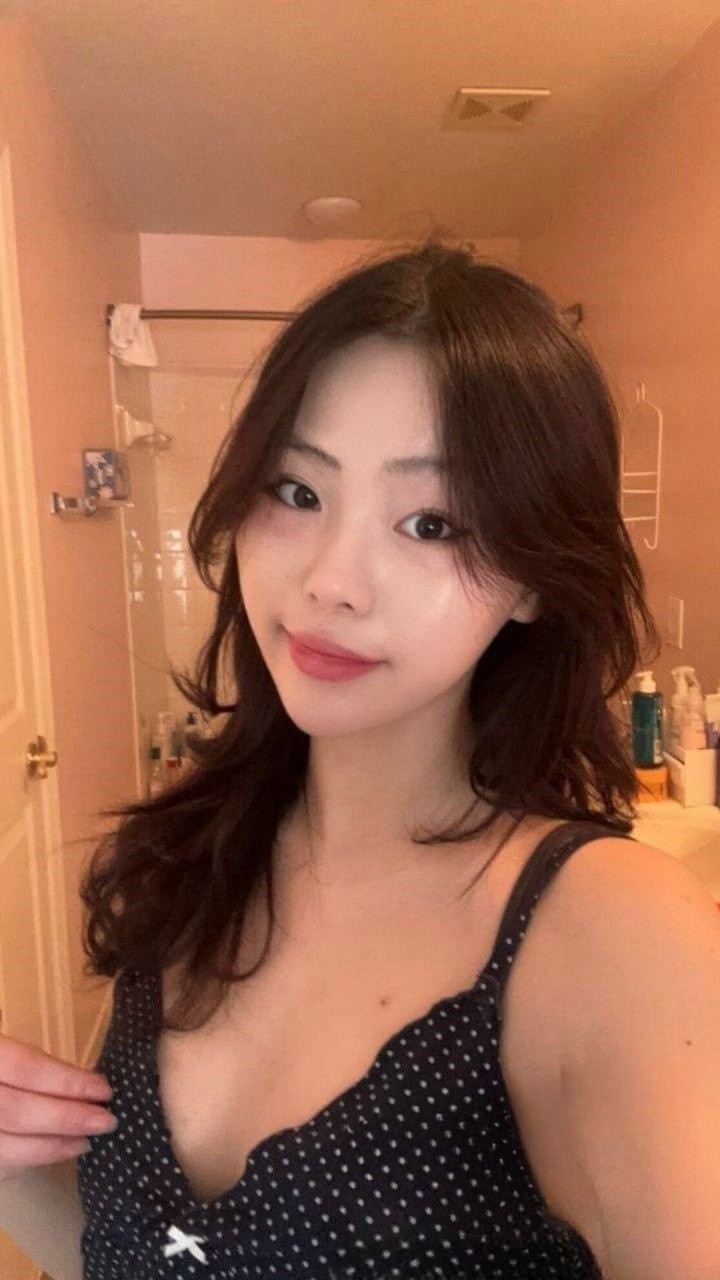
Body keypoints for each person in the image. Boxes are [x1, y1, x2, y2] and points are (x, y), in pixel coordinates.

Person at [1, 238, 719, 1280]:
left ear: (533, 576)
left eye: (431, 522)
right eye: (297, 491)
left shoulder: (613, 934)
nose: (332, 580)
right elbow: (154, 1256)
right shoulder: (191, 859)